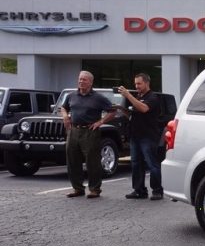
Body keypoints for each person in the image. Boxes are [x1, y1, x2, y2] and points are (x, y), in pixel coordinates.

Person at [61, 70, 116, 199]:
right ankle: (77, 188)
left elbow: (112, 111)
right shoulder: (71, 96)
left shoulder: (98, 98)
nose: (81, 81)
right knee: (72, 160)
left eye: (84, 79)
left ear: (91, 82)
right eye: (80, 79)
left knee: (92, 161)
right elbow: (64, 107)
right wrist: (65, 116)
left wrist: (101, 121)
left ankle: (95, 189)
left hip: (90, 132)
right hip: (73, 131)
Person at [117, 73, 163, 200]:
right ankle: (139, 190)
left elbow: (144, 109)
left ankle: (157, 190)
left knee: (152, 163)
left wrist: (128, 95)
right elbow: (134, 115)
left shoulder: (152, 97)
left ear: (147, 83)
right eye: (135, 83)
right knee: (136, 163)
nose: (136, 86)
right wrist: (122, 110)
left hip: (148, 136)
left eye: (139, 83)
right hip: (135, 136)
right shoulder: (138, 97)